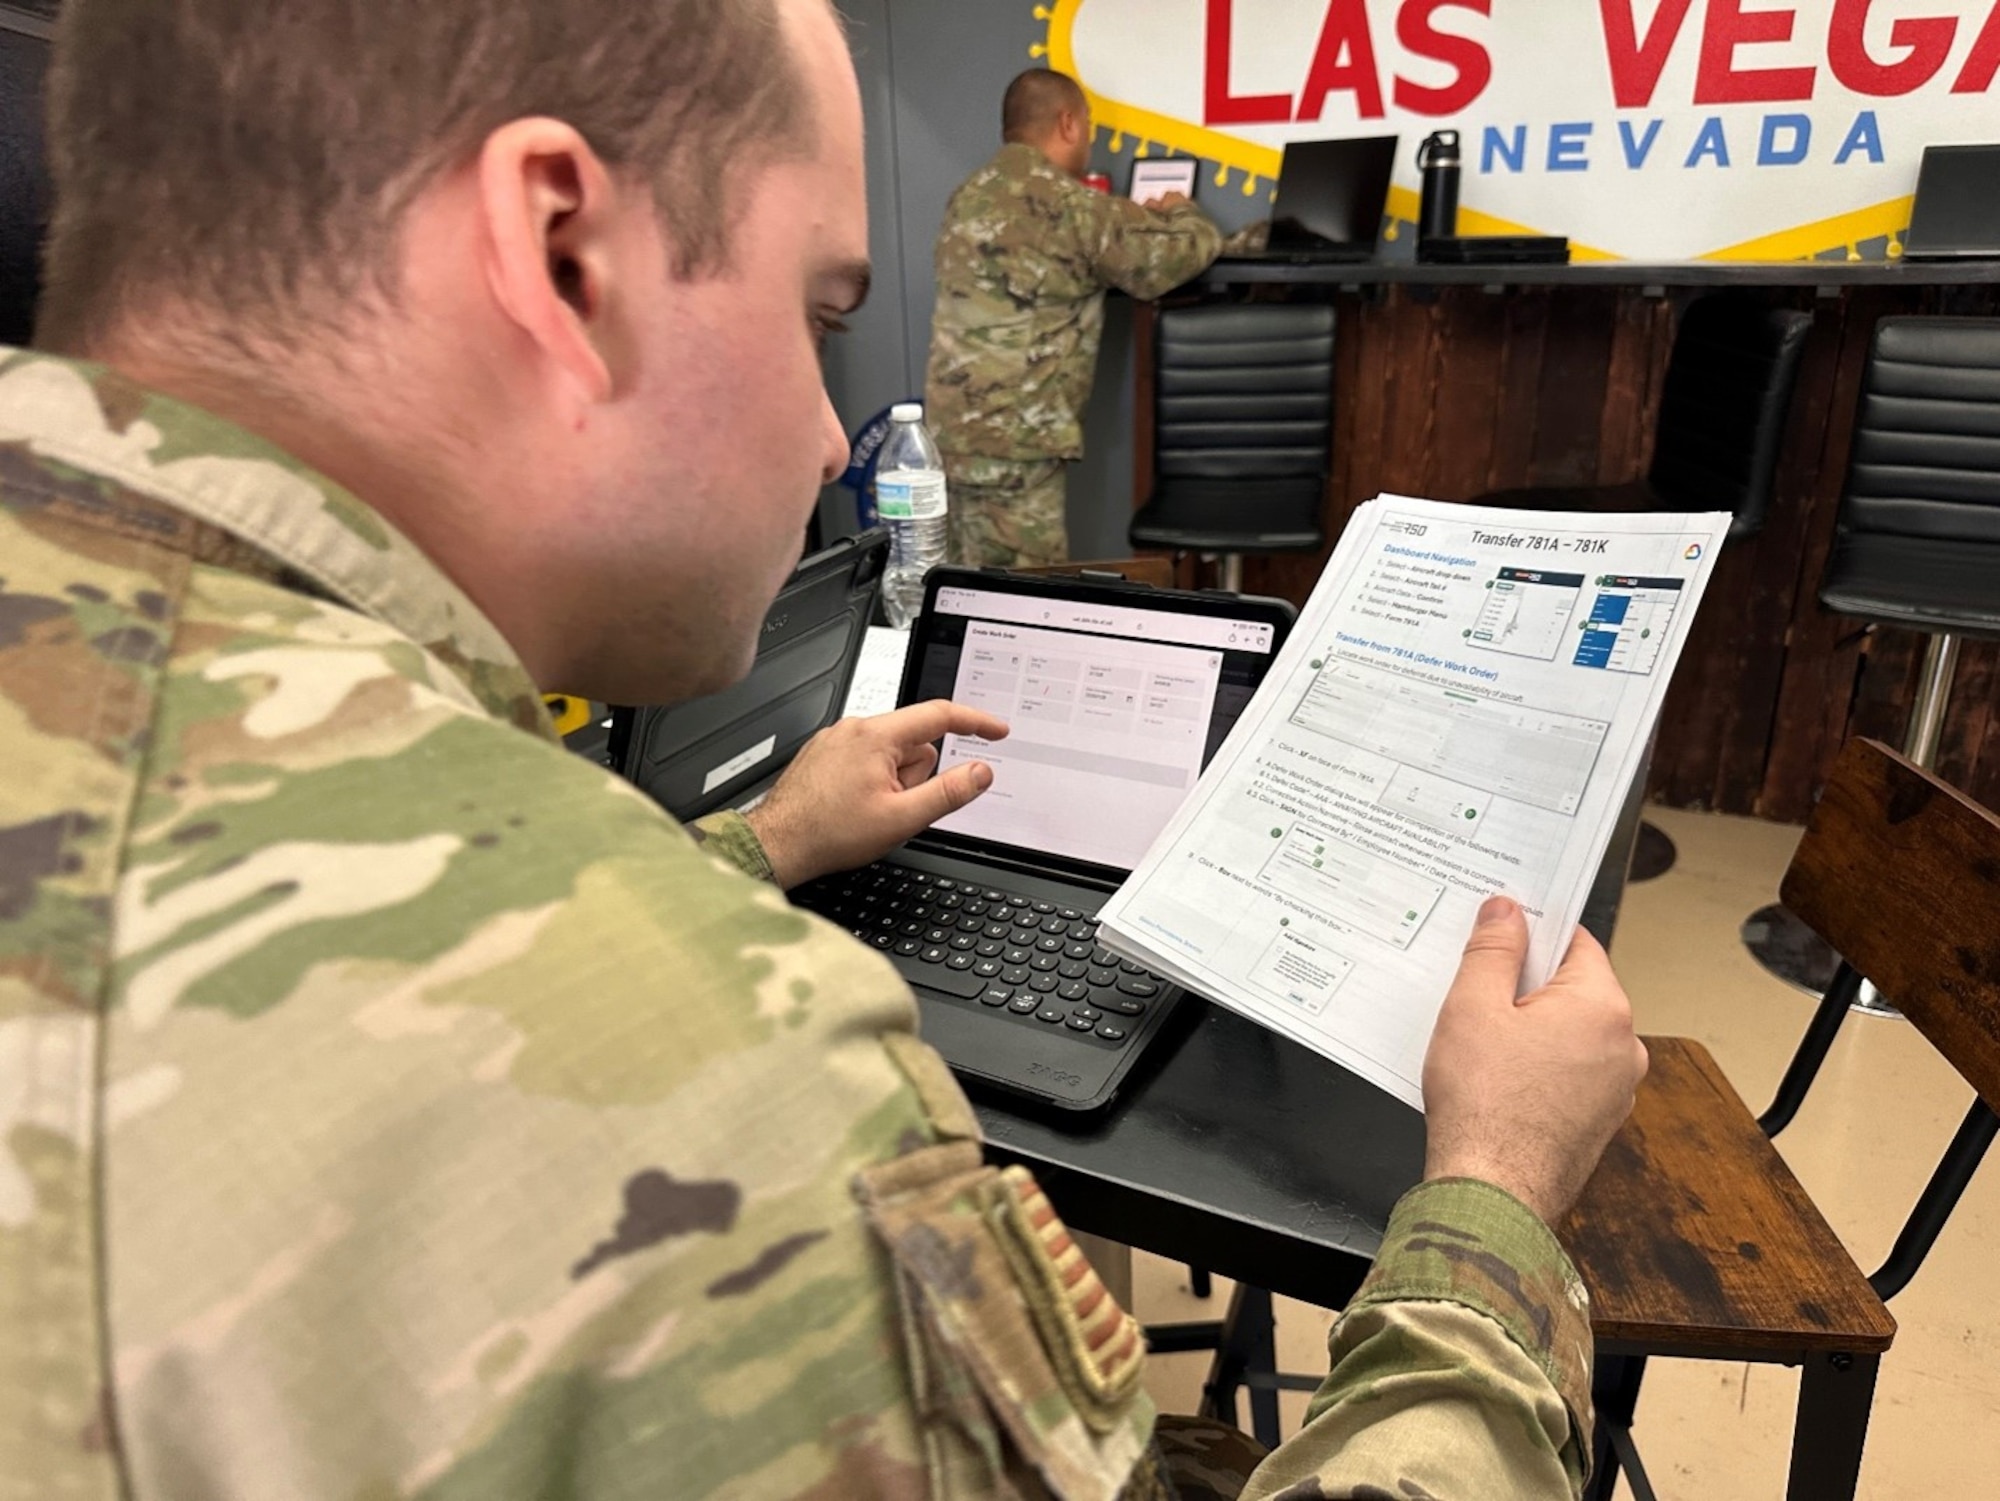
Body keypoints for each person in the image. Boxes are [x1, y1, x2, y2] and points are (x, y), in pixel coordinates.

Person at [0, 1, 1646, 1497]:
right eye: (815, 313)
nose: (820, 436)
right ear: (562, 255)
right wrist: (1492, 1202)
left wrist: (759, 845)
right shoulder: (728, 1077)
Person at [925, 69, 1230, 569]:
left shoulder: (967, 196)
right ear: (1068, 123)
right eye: (1088, 128)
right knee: (1025, 598)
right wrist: (1183, 211)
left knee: (958, 586)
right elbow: (1175, 258)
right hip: (1017, 446)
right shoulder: (1069, 206)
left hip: (950, 439)